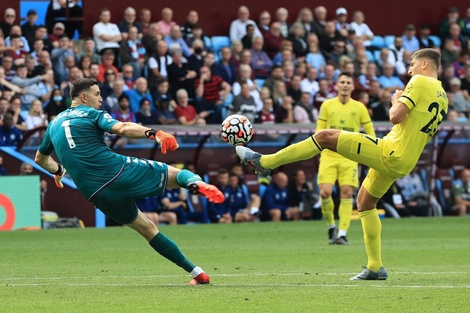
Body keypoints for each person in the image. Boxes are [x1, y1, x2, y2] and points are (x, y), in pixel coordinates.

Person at [236, 49, 448, 280]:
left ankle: (266, 162)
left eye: (412, 64)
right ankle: (375, 267)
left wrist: (395, 101)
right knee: (365, 202)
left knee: (325, 136)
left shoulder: (418, 81)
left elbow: (395, 117)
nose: (409, 70)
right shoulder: (443, 96)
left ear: (425, 64)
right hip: (405, 160)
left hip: (391, 152)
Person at [34, 78, 224, 285]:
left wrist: (60, 170)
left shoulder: (53, 124)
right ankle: (195, 183)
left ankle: (197, 273)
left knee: (148, 230)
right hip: (116, 171)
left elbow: (40, 159)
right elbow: (122, 127)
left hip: (95, 193)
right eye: (97, 94)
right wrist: (153, 133)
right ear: (83, 96)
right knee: (177, 175)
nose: (101, 98)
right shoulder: (91, 113)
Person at [316, 72, 376, 245]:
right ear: (336, 85)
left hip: (349, 156)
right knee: (325, 192)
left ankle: (342, 232)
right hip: (328, 154)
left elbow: (369, 130)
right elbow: (319, 130)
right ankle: (330, 225)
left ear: (352, 86)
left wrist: (374, 148)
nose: (344, 85)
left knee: (347, 192)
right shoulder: (327, 105)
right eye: (342, 81)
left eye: (348, 82)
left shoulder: (359, 107)